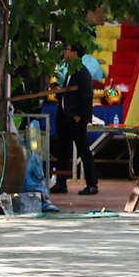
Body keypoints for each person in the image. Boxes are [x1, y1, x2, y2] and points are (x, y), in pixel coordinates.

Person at [52, 43, 97, 195]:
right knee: (62, 150)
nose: (65, 52)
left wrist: (79, 115)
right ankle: (61, 183)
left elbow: (87, 96)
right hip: (65, 116)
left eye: (67, 50)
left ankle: (92, 184)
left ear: (75, 54)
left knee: (83, 150)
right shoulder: (71, 71)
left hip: (75, 118)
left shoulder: (82, 72)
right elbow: (68, 94)